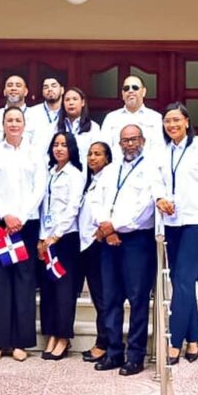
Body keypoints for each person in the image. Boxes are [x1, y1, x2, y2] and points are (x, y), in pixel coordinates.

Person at [154, 102, 198, 364]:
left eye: (176, 120)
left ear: (186, 121)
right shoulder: (162, 151)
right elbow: (156, 182)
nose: (171, 125)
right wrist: (161, 198)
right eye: (167, 121)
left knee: (183, 280)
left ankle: (174, 343)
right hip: (174, 224)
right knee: (183, 282)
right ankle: (193, 341)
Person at [93, 124, 160, 376]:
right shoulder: (110, 171)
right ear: (119, 144)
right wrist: (106, 227)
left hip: (136, 241)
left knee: (138, 299)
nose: (130, 144)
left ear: (142, 140)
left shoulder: (151, 170)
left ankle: (135, 356)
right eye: (125, 140)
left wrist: (115, 226)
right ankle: (113, 352)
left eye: (134, 139)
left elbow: (145, 208)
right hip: (108, 241)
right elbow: (96, 200)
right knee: (111, 299)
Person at [0, 106, 44, 361]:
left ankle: (20, 342)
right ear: (3, 125)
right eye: (10, 120)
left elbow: (39, 187)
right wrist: (6, 214)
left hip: (26, 224)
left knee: (24, 281)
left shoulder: (35, 152)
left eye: (18, 120)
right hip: (0, 222)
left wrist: (22, 216)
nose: (14, 124)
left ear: (24, 124)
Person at [38, 132, 85, 361]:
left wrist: (55, 235)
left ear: (71, 149)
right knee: (48, 290)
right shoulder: (49, 172)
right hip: (47, 238)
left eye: (64, 145)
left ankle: (63, 337)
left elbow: (73, 208)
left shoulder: (75, 174)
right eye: (55, 144)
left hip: (65, 238)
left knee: (64, 290)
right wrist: (42, 238)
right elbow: (43, 208)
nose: (58, 149)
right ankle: (51, 334)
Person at [76, 141, 112, 363]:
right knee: (98, 297)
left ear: (107, 158)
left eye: (98, 154)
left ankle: (104, 342)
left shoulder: (108, 179)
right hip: (87, 245)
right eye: (90, 154)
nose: (92, 158)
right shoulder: (91, 181)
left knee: (103, 296)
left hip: (99, 244)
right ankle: (104, 340)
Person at [100, 75, 163, 162]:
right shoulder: (111, 118)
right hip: (117, 170)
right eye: (126, 88)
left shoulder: (156, 118)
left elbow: (160, 148)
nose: (130, 91)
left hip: (147, 170)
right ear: (122, 94)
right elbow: (103, 148)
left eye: (135, 88)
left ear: (143, 92)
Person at [0, 75, 38, 148]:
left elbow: (39, 149)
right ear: (4, 92)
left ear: (26, 92)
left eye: (18, 86)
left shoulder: (37, 117)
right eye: (9, 85)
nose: (13, 88)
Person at [56, 86, 101, 160]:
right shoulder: (55, 126)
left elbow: (97, 153)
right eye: (67, 100)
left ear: (82, 102)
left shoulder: (93, 127)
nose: (71, 103)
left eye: (75, 99)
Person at [27, 77, 65, 149]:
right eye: (46, 87)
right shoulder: (31, 113)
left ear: (62, 90)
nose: (49, 89)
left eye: (54, 86)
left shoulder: (68, 112)